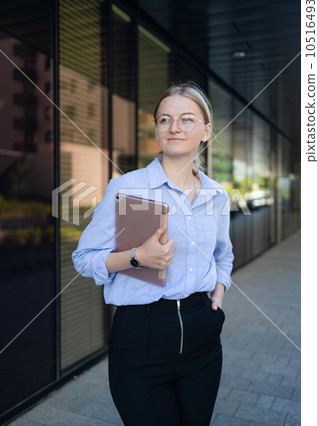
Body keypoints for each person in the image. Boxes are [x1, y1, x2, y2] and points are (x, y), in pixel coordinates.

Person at [72, 81, 234, 426]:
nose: (174, 127)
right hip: (140, 336)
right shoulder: (127, 187)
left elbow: (223, 252)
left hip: (202, 332)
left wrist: (219, 289)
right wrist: (136, 258)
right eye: (164, 119)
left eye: (187, 119)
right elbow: (84, 257)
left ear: (206, 131)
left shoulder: (216, 194)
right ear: (157, 129)